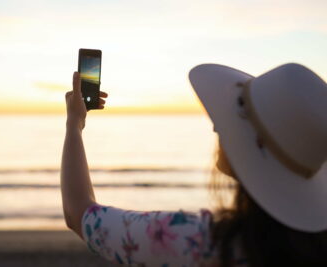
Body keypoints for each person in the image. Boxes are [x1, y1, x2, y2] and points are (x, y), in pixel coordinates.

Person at [61, 64, 327, 267]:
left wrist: (75, 123)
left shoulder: (199, 241)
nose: (216, 126)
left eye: (235, 117)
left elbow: (80, 215)